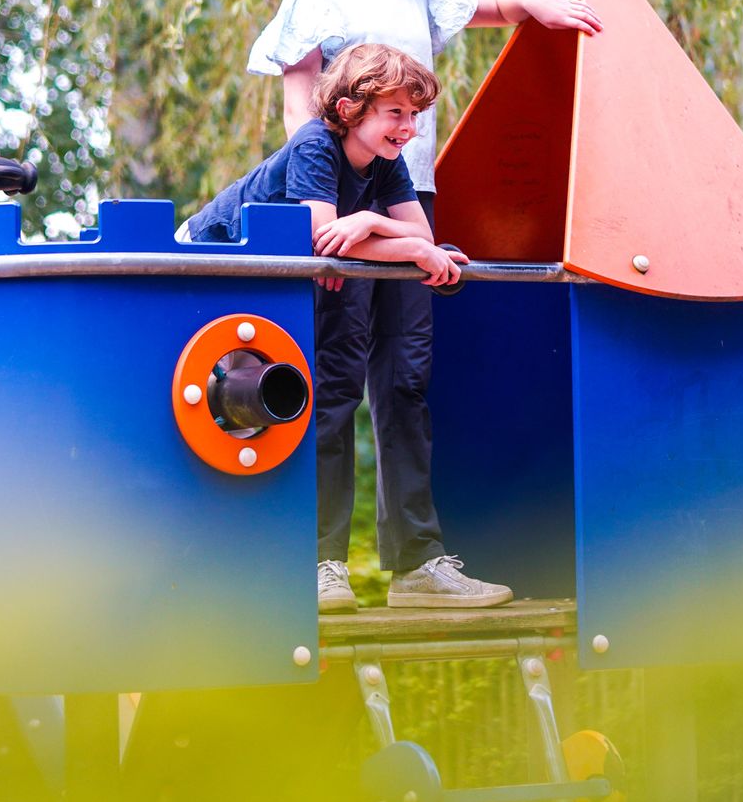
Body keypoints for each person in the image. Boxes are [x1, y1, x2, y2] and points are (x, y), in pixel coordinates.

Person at [243, 0, 600, 610]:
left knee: (407, 381)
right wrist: (325, 220)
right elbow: (299, 108)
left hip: (411, 200)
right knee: (333, 379)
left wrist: (538, 5)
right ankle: (319, 563)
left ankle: (417, 566)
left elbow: (494, 6)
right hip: (335, 212)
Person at [180, 42, 505, 612]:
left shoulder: (386, 160)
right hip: (206, 265)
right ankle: (311, 562)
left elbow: (419, 242)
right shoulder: (315, 143)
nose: (408, 128)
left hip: (279, 283)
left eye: (414, 115)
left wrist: (369, 221)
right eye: (395, 113)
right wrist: (373, 235)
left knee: (338, 392)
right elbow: (322, 238)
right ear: (352, 109)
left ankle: (359, 564)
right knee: (296, 401)